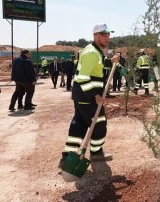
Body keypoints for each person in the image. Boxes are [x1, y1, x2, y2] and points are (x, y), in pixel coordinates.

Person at [59, 23, 119, 168]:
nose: (107, 38)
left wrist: (111, 62)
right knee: (99, 124)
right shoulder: (92, 52)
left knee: (79, 126)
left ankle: (67, 157)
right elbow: (83, 77)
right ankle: (96, 153)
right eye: (104, 35)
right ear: (95, 36)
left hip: (82, 96)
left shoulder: (95, 51)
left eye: (108, 35)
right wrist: (94, 96)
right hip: (88, 97)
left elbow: (97, 69)